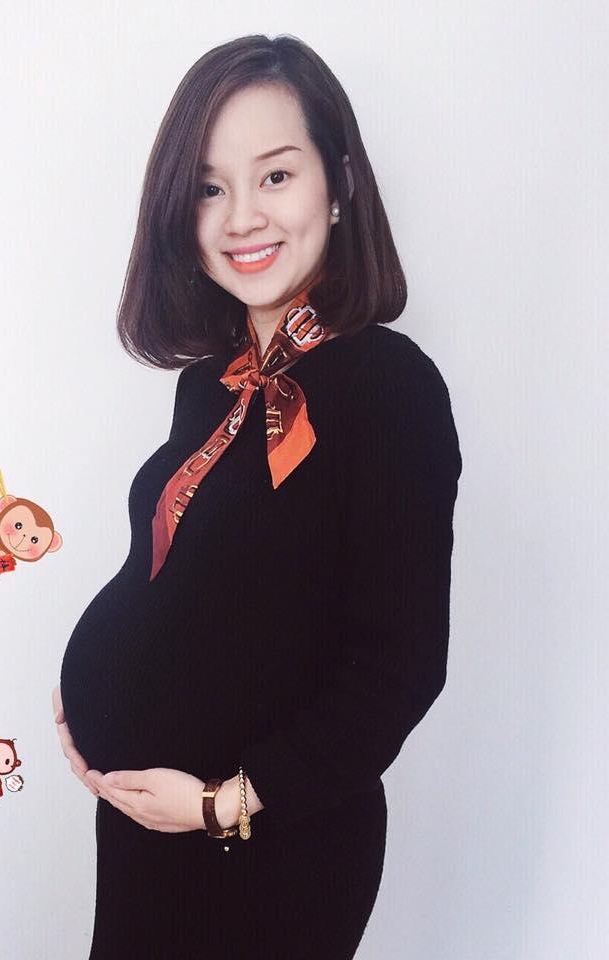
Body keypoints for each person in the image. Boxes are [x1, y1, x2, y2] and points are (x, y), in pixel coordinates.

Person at [54, 33, 462, 960]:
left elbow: (398, 669)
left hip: (269, 848)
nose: (242, 217)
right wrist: (93, 691)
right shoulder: (210, 383)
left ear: (339, 182)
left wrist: (218, 804)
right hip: (149, 832)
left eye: (275, 175)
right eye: (209, 187)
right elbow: (185, 587)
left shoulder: (391, 387)